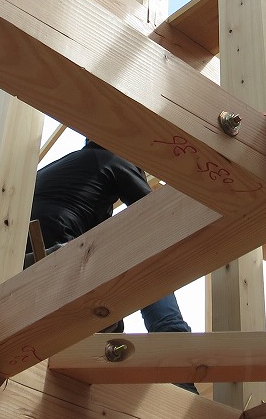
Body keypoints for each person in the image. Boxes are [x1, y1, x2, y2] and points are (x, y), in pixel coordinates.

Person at [29, 138, 197, 393]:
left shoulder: (68, 169)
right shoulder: (112, 158)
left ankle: (111, 366)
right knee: (145, 261)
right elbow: (159, 214)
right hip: (60, 259)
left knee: (108, 328)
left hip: (26, 268)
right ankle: (175, 355)